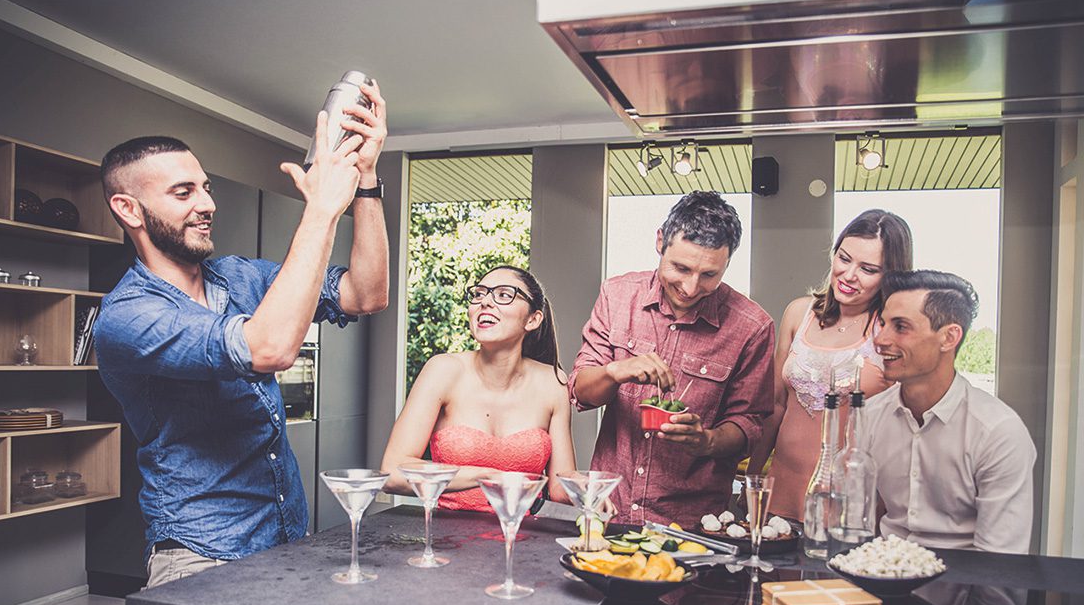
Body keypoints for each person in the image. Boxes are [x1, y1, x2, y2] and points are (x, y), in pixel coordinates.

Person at [94, 80, 390, 587]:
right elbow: (268, 348)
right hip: (201, 552)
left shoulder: (240, 277)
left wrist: (365, 179)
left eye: (205, 187)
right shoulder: (129, 316)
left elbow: (366, 294)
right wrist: (320, 210)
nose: (206, 203)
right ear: (128, 210)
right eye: (183, 192)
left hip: (285, 539)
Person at [570, 191, 774, 527]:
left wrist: (706, 441)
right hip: (608, 511)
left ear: (727, 263)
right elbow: (581, 392)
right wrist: (617, 371)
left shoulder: (753, 327)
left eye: (709, 275)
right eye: (681, 268)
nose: (691, 287)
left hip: (694, 523)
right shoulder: (618, 295)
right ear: (661, 241)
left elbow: (750, 424)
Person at [747, 209, 913, 520]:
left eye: (868, 269)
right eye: (844, 258)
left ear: (890, 275)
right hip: (779, 494)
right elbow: (776, 405)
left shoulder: (891, 334)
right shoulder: (799, 313)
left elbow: (904, 433)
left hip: (849, 504)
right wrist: (752, 479)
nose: (849, 275)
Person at [862, 270, 1036, 553]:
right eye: (883, 324)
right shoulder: (869, 417)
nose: (880, 340)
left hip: (962, 592)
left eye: (901, 326)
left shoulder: (998, 432)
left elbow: (999, 563)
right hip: (879, 587)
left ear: (949, 337)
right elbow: (853, 523)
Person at [382, 265, 576, 508]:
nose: (485, 302)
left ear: (533, 319)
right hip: (447, 538)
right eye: (479, 294)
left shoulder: (553, 382)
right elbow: (393, 472)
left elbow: (559, 488)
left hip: (525, 538)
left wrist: (588, 489)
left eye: (504, 295)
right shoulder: (442, 370)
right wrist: (486, 476)